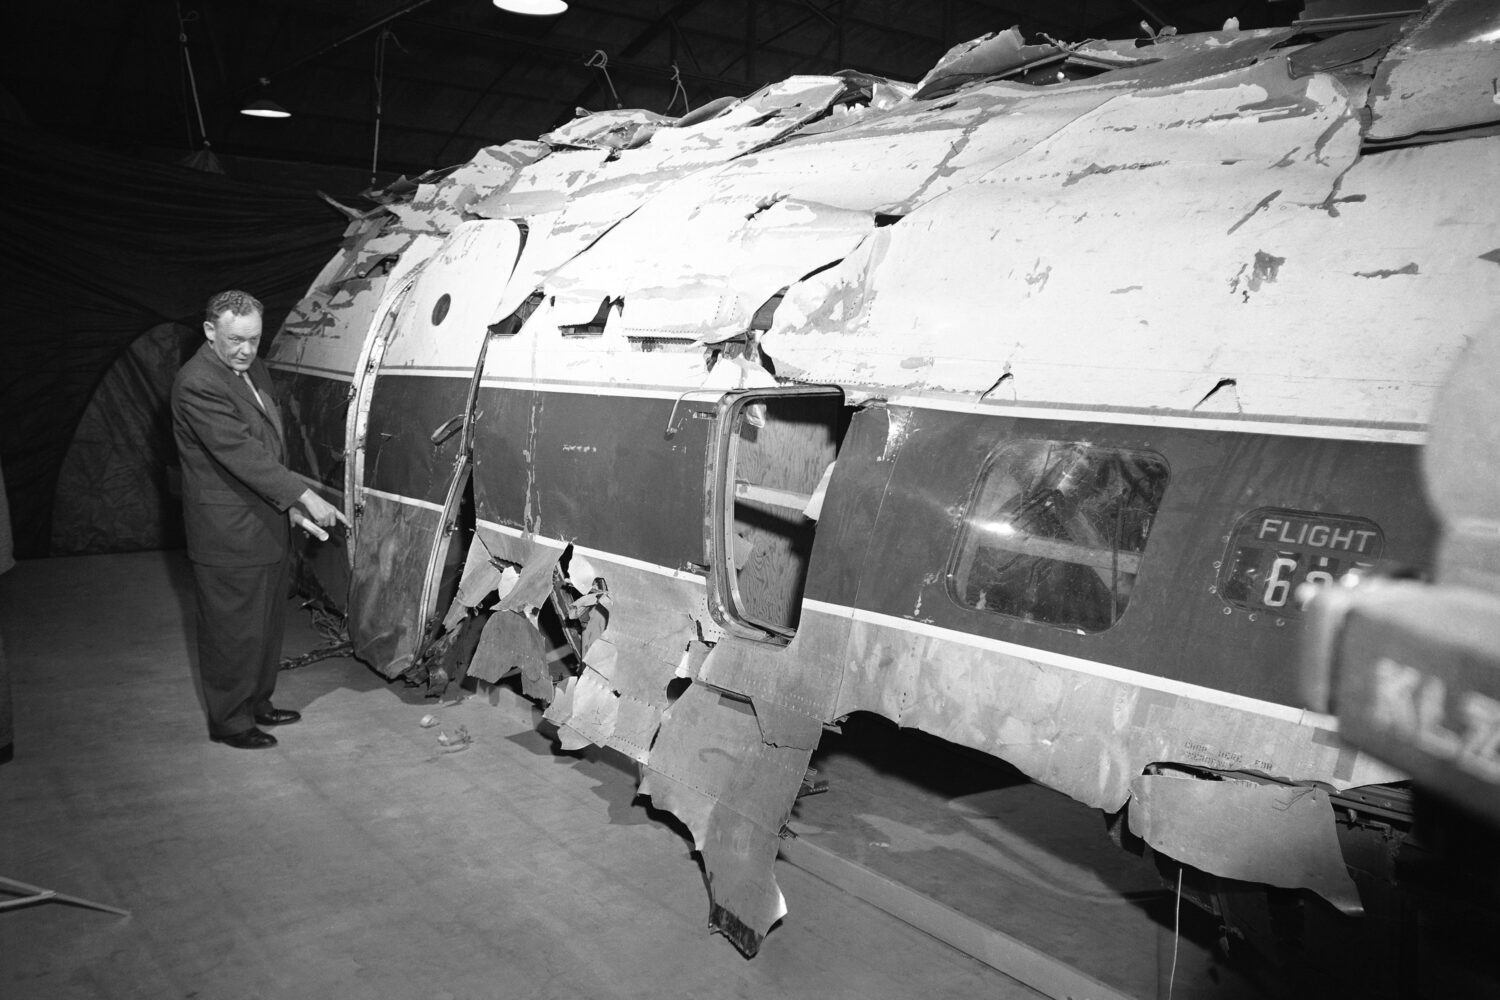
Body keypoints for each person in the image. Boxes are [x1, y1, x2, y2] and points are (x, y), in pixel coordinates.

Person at [171, 290, 346, 750]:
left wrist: (286, 506)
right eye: (235, 339)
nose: (246, 349)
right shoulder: (198, 382)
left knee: (266, 625)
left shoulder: (252, 368)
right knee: (232, 630)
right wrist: (302, 494)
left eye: (253, 339)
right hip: (227, 532)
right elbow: (241, 454)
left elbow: (269, 442)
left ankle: (257, 702)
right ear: (210, 332)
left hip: (264, 519)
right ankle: (230, 720)